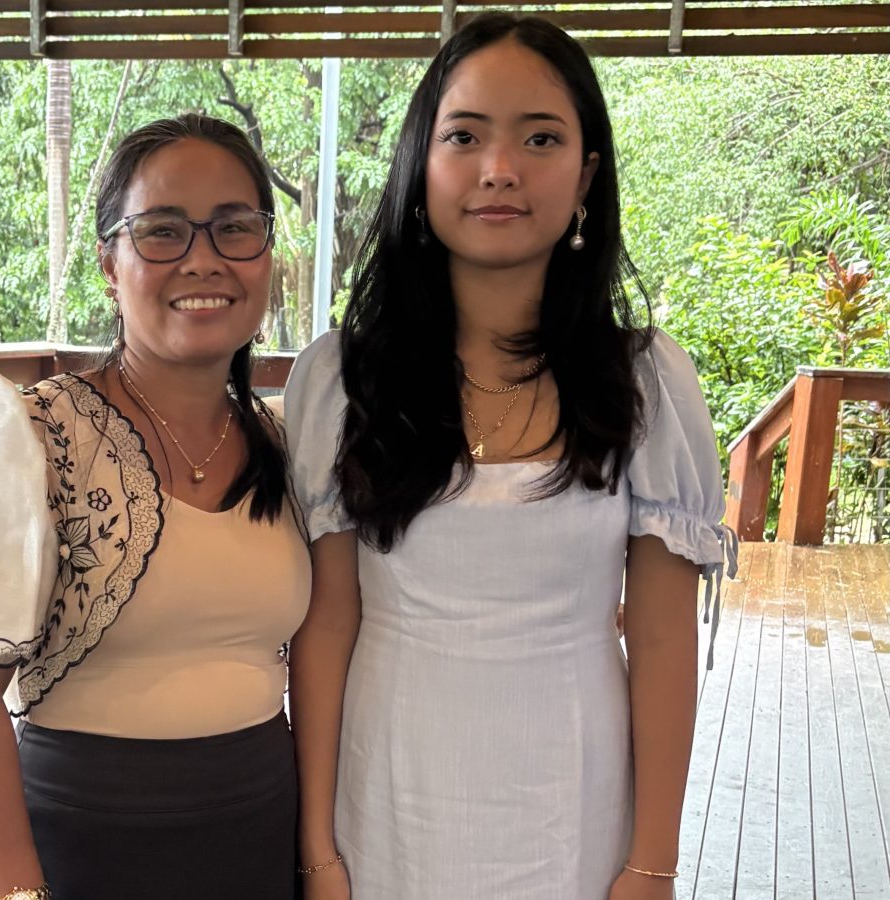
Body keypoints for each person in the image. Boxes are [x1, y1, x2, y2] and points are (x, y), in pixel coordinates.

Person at [284, 14, 737, 900]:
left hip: (575, 808)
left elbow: (660, 638)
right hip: (386, 803)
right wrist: (319, 849)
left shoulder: (641, 380)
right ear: (421, 168)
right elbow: (328, 627)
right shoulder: (342, 379)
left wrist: (652, 862)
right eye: (465, 136)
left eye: (540, 138)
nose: (500, 169)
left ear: (586, 177)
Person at [0, 113, 310, 900]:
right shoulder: (27, 433)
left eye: (235, 228)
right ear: (108, 262)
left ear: (266, 255)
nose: (204, 259)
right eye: (161, 231)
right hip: (82, 847)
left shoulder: (288, 444)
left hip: (259, 838)